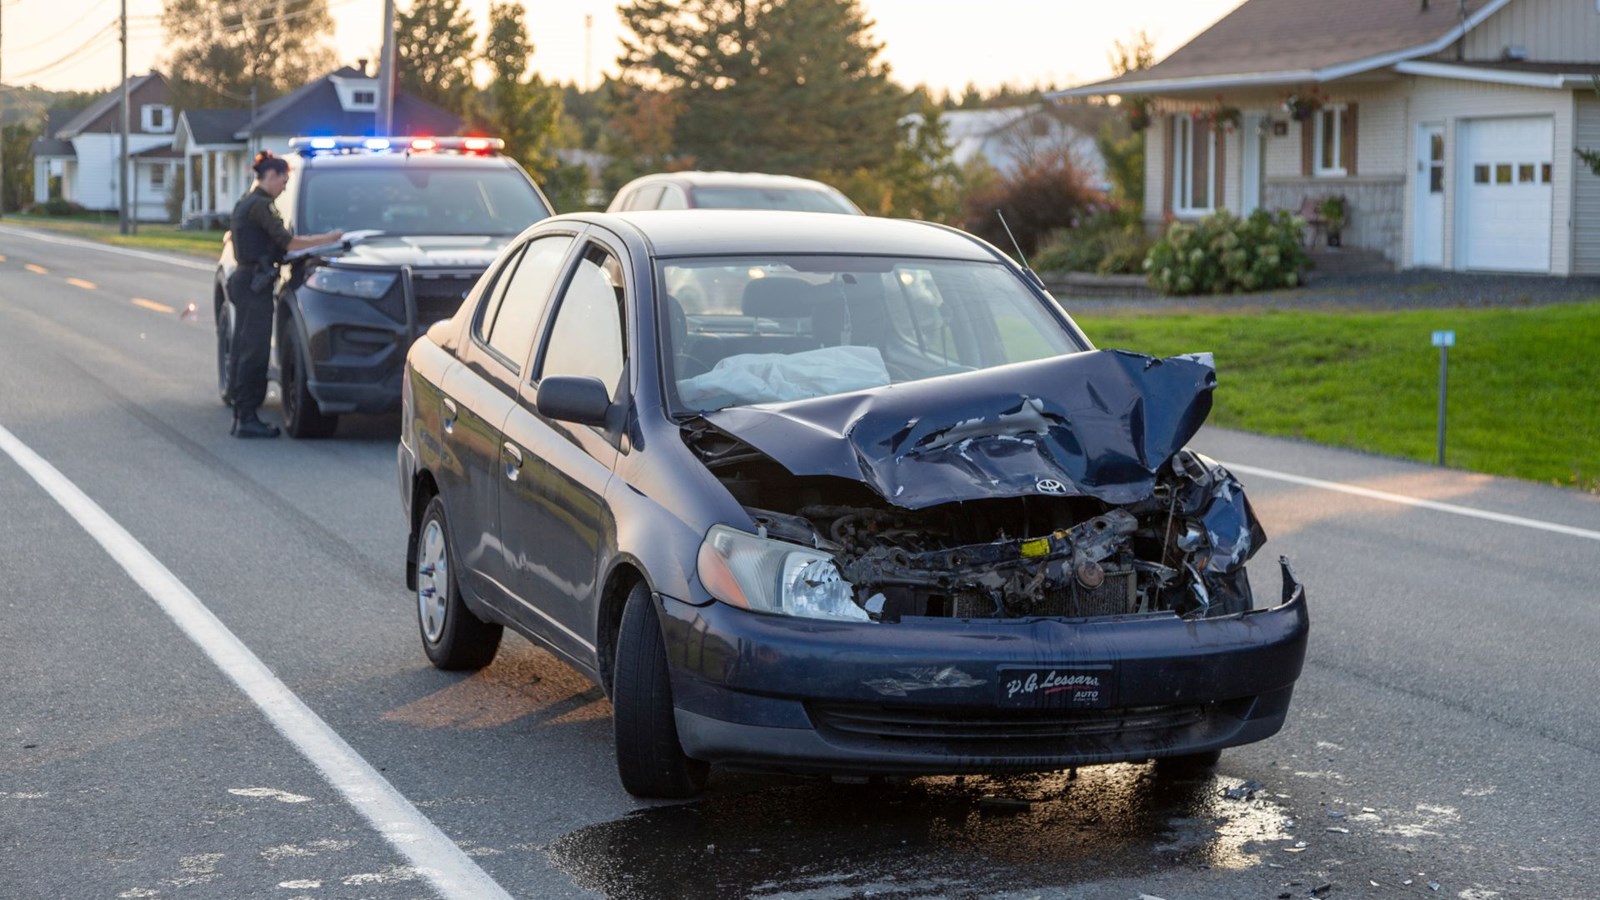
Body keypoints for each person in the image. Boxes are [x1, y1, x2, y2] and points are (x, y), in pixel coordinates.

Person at [226, 150, 343, 438]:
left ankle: (243, 414)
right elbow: (288, 242)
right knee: (253, 352)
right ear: (271, 176)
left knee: (246, 348)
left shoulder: (250, 202)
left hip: (249, 281)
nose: (285, 187)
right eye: (283, 180)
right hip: (254, 283)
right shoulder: (260, 206)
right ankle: (247, 418)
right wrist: (329, 239)